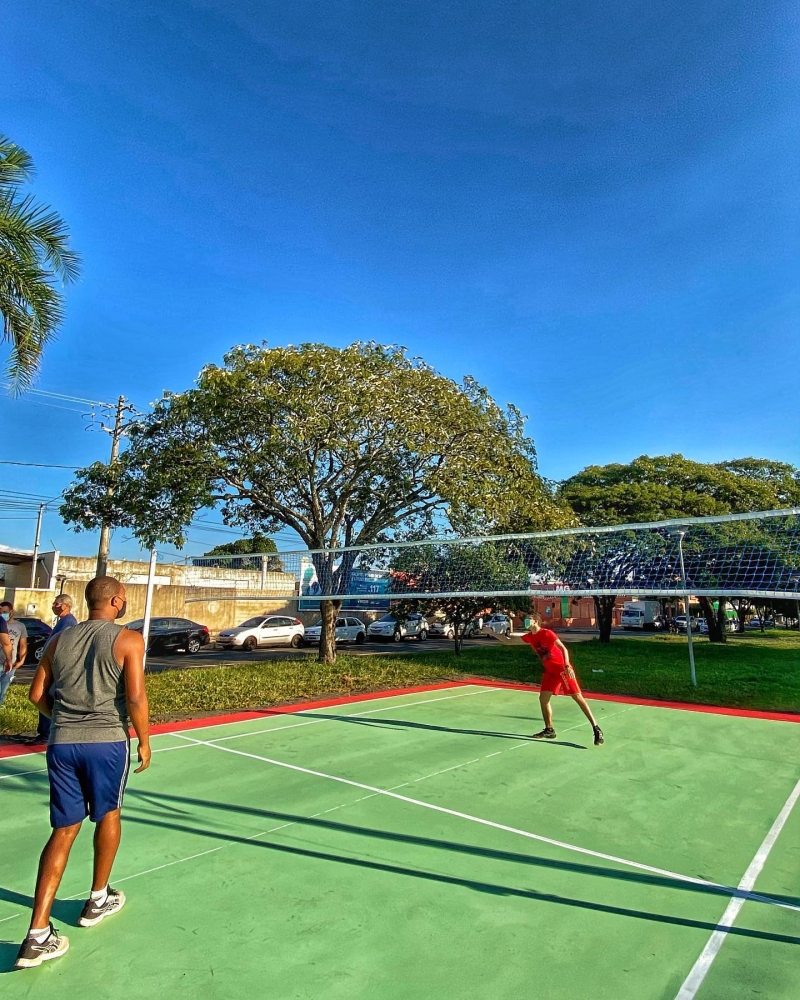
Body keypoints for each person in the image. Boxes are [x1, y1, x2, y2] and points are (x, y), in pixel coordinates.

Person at [14, 577, 150, 970]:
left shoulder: (59, 640)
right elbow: (137, 696)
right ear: (114, 600)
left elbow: (37, 695)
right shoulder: (128, 639)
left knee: (63, 829)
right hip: (106, 742)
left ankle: (37, 934)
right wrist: (144, 739)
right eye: (123, 598)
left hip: (61, 743)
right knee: (108, 814)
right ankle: (97, 898)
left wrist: (62, 722)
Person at [482, 611, 604, 746]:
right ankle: (549, 729)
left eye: (528, 620)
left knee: (578, 697)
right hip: (550, 672)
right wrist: (491, 632)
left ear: (535, 621)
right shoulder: (529, 637)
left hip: (562, 670)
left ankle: (596, 728)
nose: (526, 622)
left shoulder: (547, 633)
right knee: (543, 699)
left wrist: (567, 665)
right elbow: (508, 641)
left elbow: (563, 649)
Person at [32, 595, 78, 744]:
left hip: (56, 668)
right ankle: (45, 731)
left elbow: (63, 645)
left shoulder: (68, 622)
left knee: (46, 696)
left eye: (56, 603)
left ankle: (46, 732)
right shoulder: (62, 621)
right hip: (51, 666)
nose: (54, 605)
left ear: (65, 606)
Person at [0, 601, 27, 707]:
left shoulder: (20, 626)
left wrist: (21, 660)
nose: (3, 614)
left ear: (12, 612)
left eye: (5, 612)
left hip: (10, 664)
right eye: (1, 612)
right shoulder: (1, 623)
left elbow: (23, 644)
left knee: (2, 691)